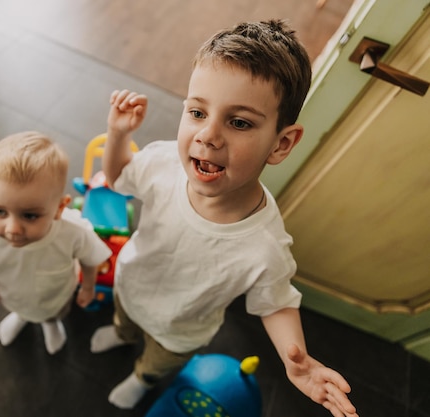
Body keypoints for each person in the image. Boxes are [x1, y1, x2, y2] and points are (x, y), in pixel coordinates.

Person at [90, 20, 359, 417]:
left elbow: (276, 301)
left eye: (239, 122)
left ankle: (140, 378)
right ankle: (120, 333)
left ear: (281, 143)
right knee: (125, 321)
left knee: (156, 363)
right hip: (130, 287)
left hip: (179, 331)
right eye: (198, 112)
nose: (208, 136)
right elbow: (118, 177)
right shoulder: (165, 163)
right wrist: (116, 134)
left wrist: (295, 358)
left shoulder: (264, 244)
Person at [0, 131, 111, 355]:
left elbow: (90, 260)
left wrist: (88, 287)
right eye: (0, 211)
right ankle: (21, 316)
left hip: (56, 297)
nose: (12, 229)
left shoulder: (73, 231)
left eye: (29, 216)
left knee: (54, 312)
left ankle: (50, 323)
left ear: (59, 208)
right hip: (10, 292)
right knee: (18, 306)